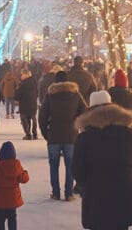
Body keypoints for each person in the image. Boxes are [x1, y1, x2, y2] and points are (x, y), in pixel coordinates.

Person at [72, 90, 132, 230]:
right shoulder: (130, 133)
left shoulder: (84, 138)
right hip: (125, 190)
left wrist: (86, 185)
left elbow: (77, 170)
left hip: (96, 193)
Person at [38, 70, 87, 201]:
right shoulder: (76, 95)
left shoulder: (50, 95)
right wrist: (78, 126)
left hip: (54, 135)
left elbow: (42, 116)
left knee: (53, 166)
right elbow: (85, 112)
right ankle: (69, 193)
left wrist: (46, 133)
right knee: (70, 165)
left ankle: (55, 193)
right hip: (71, 135)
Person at [0, 141, 29, 230]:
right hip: (12, 201)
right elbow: (24, 179)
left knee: (0, 221)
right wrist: (25, 173)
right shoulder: (17, 167)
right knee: (12, 219)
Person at [14, 69, 38, 140]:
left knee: (24, 119)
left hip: (24, 104)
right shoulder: (34, 82)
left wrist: (16, 94)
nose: (21, 76)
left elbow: (18, 95)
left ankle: (28, 134)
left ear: (25, 75)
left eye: (22, 75)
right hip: (33, 103)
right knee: (33, 118)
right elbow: (37, 92)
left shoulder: (23, 84)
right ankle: (35, 134)